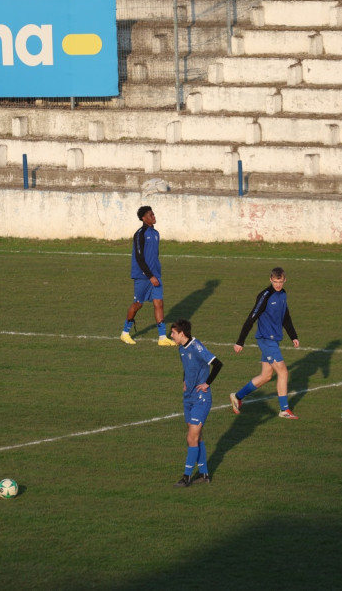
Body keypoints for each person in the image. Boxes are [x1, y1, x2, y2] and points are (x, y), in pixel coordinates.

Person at [228, 267, 301, 420]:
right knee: (283, 372)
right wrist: (240, 341)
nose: (278, 285)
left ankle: (237, 396)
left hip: (274, 340)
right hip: (266, 339)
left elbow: (285, 316)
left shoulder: (283, 294)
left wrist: (293, 336)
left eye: (280, 282)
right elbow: (251, 317)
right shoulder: (265, 295)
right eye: (275, 282)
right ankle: (284, 410)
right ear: (270, 280)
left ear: (285, 280)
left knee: (266, 375)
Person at [169, 319, 222, 487]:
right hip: (188, 398)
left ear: (182, 333)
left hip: (201, 399)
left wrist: (207, 383)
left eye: (173, 333)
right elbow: (187, 368)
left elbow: (218, 364)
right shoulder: (181, 348)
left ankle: (186, 477)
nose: (171, 336)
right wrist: (184, 381)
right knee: (196, 437)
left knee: (191, 437)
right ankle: (204, 474)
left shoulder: (196, 346)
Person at [120, 206, 172, 346]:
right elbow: (139, 257)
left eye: (153, 214)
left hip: (156, 275)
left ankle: (162, 338)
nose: (154, 217)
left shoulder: (156, 233)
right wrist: (150, 276)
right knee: (138, 304)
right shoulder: (140, 234)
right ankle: (125, 333)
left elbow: (154, 255)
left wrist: (156, 273)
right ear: (143, 218)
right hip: (143, 276)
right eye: (151, 215)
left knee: (159, 303)